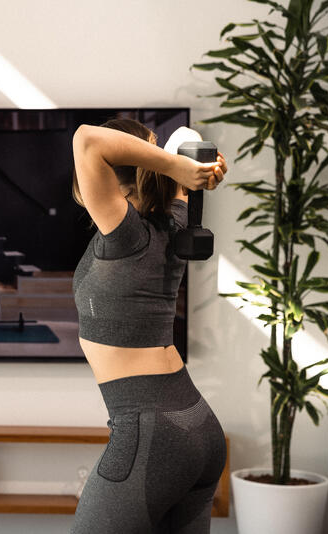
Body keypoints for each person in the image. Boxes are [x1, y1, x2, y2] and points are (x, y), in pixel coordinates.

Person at [70, 118, 228, 534]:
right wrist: (191, 168)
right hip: (198, 426)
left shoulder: (124, 235)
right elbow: (186, 140)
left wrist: (176, 168)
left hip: (152, 433)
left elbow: (86, 139)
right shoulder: (173, 220)